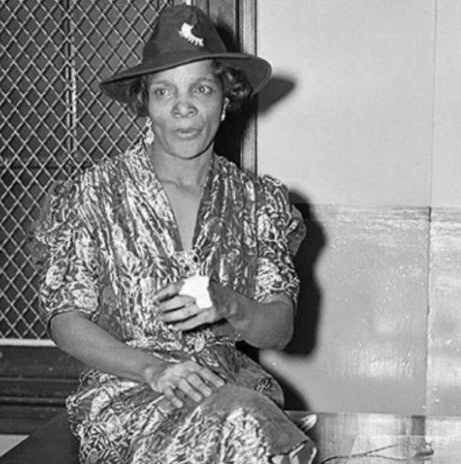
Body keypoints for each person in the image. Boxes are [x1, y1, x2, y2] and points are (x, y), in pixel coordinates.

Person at [31, 5, 316, 464]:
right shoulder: (95, 193)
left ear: (226, 100)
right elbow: (65, 320)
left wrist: (228, 303)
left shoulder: (258, 202)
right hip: (130, 396)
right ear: (145, 104)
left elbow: (278, 330)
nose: (184, 107)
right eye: (164, 92)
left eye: (201, 89)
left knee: (243, 421)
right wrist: (154, 370)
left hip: (230, 391)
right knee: (245, 430)